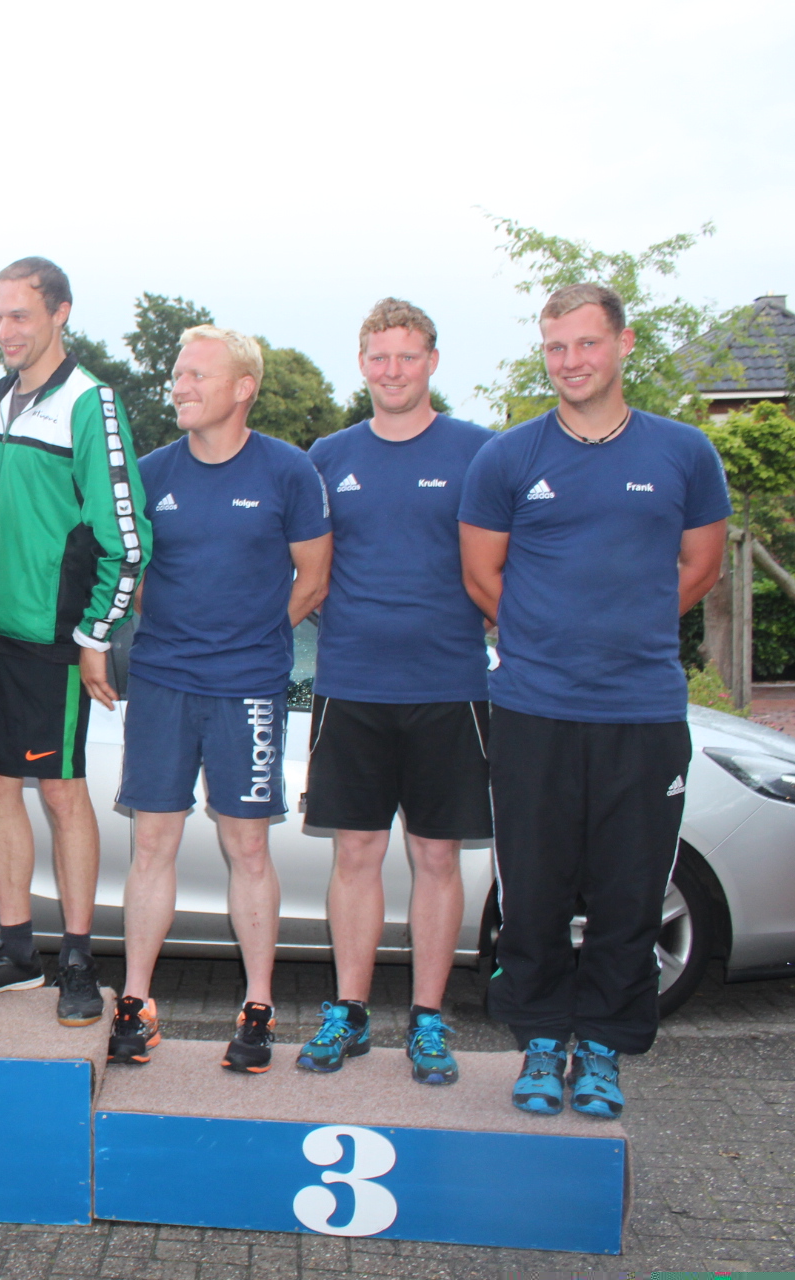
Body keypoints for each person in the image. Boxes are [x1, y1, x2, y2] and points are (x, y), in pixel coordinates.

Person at [460, 283, 728, 1120]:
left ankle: (604, 1048)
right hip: (533, 709)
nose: (570, 361)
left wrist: (626, 631)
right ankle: (542, 1041)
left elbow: (701, 567)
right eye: (555, 346)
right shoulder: (508, 457)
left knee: (629, 891)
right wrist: (551, 637)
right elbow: (481, 574)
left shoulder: (684, 453)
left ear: (623, 344)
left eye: (586, 343)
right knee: (534, 889)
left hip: (643, 712)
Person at [110, 325, 331, 1073]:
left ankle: (258, 1007)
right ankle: (136, 1003)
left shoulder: (288, 470)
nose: (180, 386)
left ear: (243, 388)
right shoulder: (150, 473)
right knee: (151, 845)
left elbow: (314, 577)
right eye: (178, 374)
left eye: (197, 375)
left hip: (249, 690)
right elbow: (135, 578)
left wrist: (254, 638)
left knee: (248, 847)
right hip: (163, 683)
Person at [297, 299, 495, 1086]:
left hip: (450, 686)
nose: (392, 371)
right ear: (362, 364)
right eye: (379, 357)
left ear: (432, 362)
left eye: (407, 356)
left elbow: (503, 564)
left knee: (436, 856)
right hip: (351, 684)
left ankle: (428, 1020)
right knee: (356, 853)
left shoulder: (480, 451)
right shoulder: (329, 455)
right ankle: (348, 1013)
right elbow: (306, 568)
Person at [0, 256, 147, 1027]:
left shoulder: (91, 403)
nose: (6, 330)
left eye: (20, 315)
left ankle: (77, 960)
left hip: (50, 639)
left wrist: (94, 635)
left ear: (60, 314)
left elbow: (125, 537)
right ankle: (15, 951)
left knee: (62, 793)